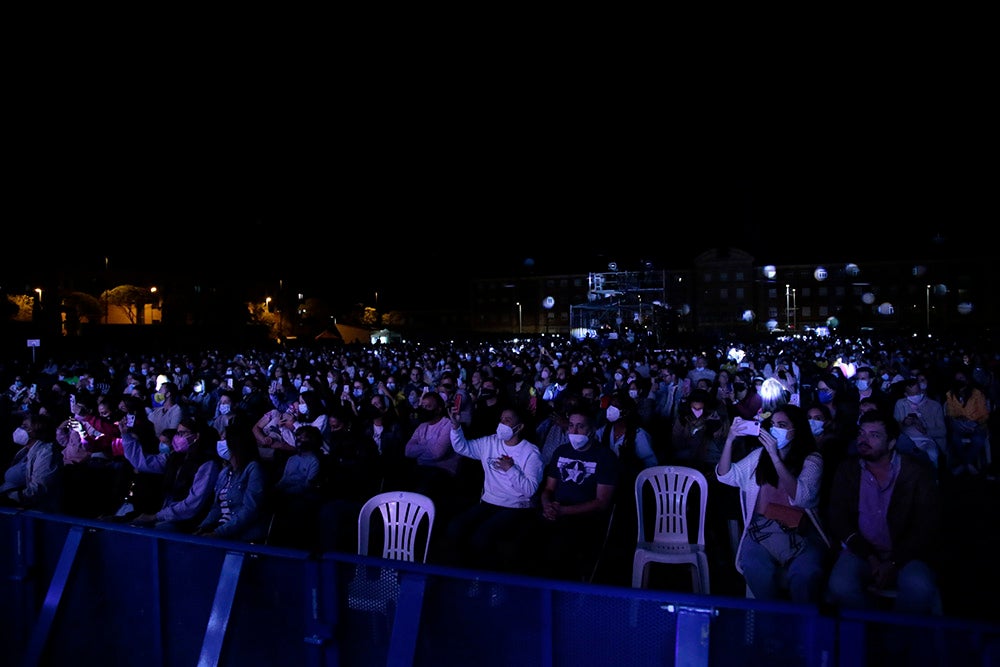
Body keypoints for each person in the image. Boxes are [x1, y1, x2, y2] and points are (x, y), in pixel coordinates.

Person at [826, 410, 943, 615]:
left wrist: (894, 562)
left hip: (907, 554)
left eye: (874, 435)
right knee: (840, 585)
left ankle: (898, 639)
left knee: (920, 587)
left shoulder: (915, 473)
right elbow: (838, 516)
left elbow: (926, 525)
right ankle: (869, 631)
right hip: (860, 551)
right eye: (862, 433)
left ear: (891, 443)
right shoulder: (848, 470)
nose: (864, 440)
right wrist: (870, 557)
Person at [717, 404, 830, 603]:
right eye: (773, 424)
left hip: (801, 530)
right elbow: (726, 476)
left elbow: (802, 497)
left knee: (805, 573)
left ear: (796, 430)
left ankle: (802, 624)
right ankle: (772, 622)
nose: (775, 429)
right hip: (763, 528)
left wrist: (776, 458)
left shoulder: (812, 460)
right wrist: (730, 440)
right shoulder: (759, 456)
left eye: (783, 425)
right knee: (753, 565)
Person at [518, 407, 619, 581]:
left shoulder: (605, 457)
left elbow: (601, 502)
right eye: (571, 425)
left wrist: (563, 511)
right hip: (554, 510)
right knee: (523, 538)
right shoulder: (561, 451)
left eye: (580, 426)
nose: (574, 431)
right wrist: (547, 505)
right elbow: (549, 488)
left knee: (558, 550)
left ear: (592, 430)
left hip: (584, 518)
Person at [445, 405, 544, 571]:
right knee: (455, 527)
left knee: (481, 537)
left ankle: (490, 580)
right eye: (501, 419)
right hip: (490, 501)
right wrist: (455, 427)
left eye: (508, 420)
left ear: (519, 427)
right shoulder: (490, 442)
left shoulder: (530, 452)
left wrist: (510, 469)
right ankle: (463, 573)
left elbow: (530, 489)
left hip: (516, 506)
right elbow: (463, 447)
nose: (502, 423)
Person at [123, 416, 223, 532]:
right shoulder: (175, 457)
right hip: (166, 514)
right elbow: (145, 462)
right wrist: (126, 435)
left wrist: (156, 516)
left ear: (197, 436)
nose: (177, 437)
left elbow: (193, 504)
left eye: (182, 433)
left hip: (188, 520)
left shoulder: (208, 464)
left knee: (158, 530)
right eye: (177, 433)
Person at [194, 423, 269, 542]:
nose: (220, 442)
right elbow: (217, 507)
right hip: (221, 530)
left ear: (236, 443)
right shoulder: (224, 473)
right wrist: (202, 528)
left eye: (224, 439)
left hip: (243, 536)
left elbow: (250, 510)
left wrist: (218, 533)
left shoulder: (253, 469)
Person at [0, 412, 62, 512]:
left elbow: (39, 489)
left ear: (38, 431)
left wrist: (9, 497)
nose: (20, 429)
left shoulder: (47, 454)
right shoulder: (25, 451)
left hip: (35, 513)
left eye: (25, 427)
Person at [943, 366, 991, 475]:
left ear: (967, 379)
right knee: (955, 438)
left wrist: (975, 422)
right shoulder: (950, 394)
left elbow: (984, 414)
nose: (959, 381)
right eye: (957, 379)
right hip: (959, 425)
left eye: (962, 378)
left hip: (976, 424)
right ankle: (968, 465)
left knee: (978, 440)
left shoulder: (977, 393)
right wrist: (961, 420)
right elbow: (950, 413)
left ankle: (964, 464)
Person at [892, 377, 947, 472]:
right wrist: (903, 423)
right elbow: (894, 428)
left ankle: (933, 479)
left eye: (918, 393)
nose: (916, 396)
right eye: (912, 394)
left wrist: (924, 430)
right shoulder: (900, 404)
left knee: (931, 454)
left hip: (928, 439)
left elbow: (942, 431)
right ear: (906, 394)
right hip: (907, 439)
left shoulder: (934, 405)